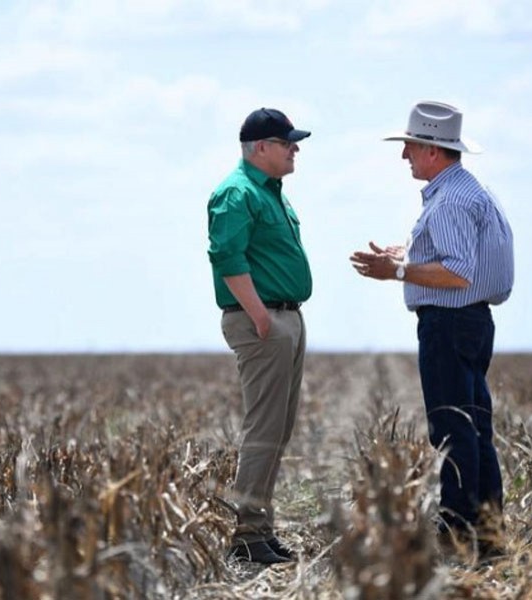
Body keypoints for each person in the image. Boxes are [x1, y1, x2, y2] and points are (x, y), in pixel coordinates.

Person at [349, 101, 514, 561]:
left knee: (452, 429)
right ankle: (489, 533)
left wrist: (397, 271)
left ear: (433, 152)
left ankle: (459, 532)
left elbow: (458, 271)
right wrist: (408, 253)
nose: (404, 156)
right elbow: (459, 257)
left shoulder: (451, 201)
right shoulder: (467, 191)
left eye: (410, 147)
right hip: (472, 322)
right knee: (475, 427)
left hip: (449, 322)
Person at [207, 107, 312, 565]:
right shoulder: (237, 192)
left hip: (285, 317)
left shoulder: (271, 193)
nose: (295, 149)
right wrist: (261, 317)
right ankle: (247, 535)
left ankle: (260, 529)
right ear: (261, 147)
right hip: (262, 320)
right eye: (288, 142)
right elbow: (226, 256)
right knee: (264, 430)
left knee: (279, 428)